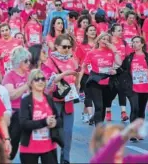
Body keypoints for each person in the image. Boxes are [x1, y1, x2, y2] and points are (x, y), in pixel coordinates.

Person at [45, 34, 79, 164]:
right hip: (55, 101)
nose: (67, 49)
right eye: (64, 46)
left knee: (68, 133)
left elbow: (75, 78)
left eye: (69, 47)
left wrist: (77, 84)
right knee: (54, 133)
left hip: (68, 100)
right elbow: (48, 82)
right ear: (57, 47)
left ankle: (65, 160)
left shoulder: (72, 60)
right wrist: (64, 74)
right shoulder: (50, 60)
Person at [19, 69, 62, 164]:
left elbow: (59, 119)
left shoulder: (49, 99)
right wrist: (44, 122)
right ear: (30, 83)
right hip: (30, 148)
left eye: (43, 79)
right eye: (37, 79)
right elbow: (24, 124)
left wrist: (55, 122)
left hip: (49, 147)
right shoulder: (26, 101)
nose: (40, 81)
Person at [79, 32, 122, 126]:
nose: (105, 41)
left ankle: (96, 119)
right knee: (99, 106)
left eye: (107, 40)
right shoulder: (91, 53)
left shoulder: (111, 52)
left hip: (108, 82)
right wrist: (79, 81)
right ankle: (99, 130)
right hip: (95, 81)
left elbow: (119, 63)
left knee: (104, 106)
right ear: (98, 40)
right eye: (103, 39)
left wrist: (114, 50)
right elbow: (83, 66)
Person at [2, 46, 31, 160]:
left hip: (29, 111)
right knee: (13, 143)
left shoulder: (29, 74)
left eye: (29, 60)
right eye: (26, 61)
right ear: (19, 61)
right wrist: (27, 85)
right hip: (15, 113)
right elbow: (12, 95)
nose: (29, 63)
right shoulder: (10, 76)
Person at [118, 36, 148, 131]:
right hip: (133, 87)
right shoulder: (129, 57)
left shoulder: (147, 57)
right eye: (133, 42)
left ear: (142, 44)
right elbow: (122, 69)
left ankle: (139, 130)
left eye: (137, 42)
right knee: (134, 108)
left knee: (141, 110)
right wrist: (114, 72)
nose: (134, 44)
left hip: (145, 87)